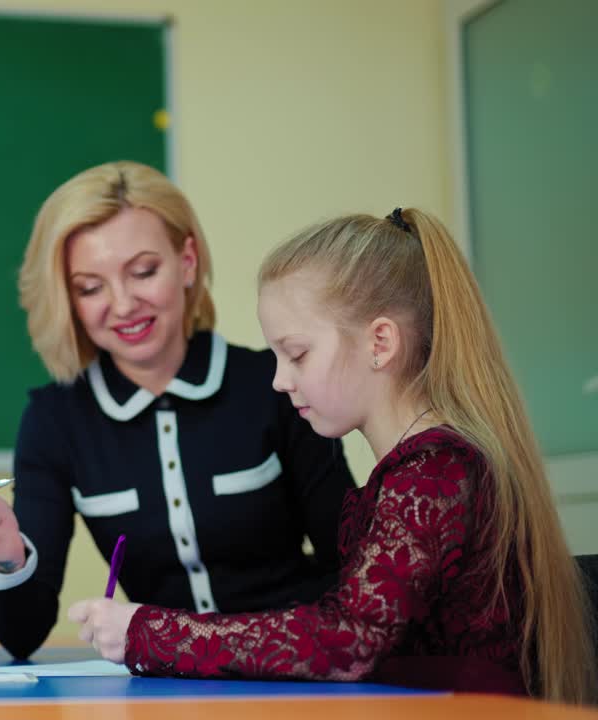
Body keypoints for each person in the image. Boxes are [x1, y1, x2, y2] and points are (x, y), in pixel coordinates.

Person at [67, 208, 596, 704]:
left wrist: (145, 632)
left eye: (296, 354)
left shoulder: (434, 475)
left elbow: (349, 639)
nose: (278, 380)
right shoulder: (411, 471)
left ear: (380, 342)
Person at [0, 161, 355, 660]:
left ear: (187, 261)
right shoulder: (54, 420)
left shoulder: (277, 385)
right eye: (90, 287)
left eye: (143, 272)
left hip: (293, 670)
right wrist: (7, 555)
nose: (122, 305)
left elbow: (350, 566)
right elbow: (22, 636)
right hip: (162, 687)